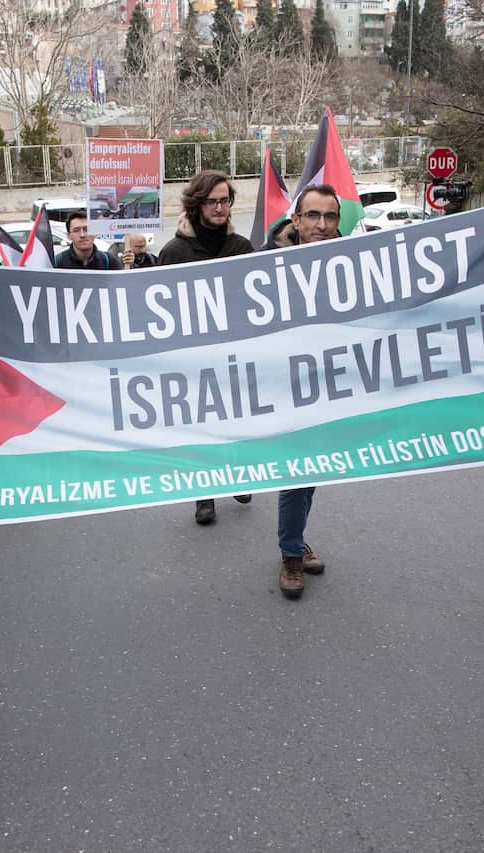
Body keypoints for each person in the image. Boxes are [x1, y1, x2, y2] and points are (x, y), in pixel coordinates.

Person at [157, 170, 254, 525]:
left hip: (234, 353)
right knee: (202, 425)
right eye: (213, 201)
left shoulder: (241, 248)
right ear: (197, 205)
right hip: (192, 357)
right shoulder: (174, 252)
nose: (220, 208)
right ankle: (204, 495)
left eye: (225, 200)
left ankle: (238, 475)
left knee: (236, 419)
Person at [264, 184, 341, 599]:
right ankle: (291, 552)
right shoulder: (265, 262)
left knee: (311, 471)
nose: (321, 224)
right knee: (297, 468)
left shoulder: (356, 261)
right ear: (295, 220)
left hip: (331, 382)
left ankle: (295, 540)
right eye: (313, 215)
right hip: (283, 383)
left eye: (330, 216)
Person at [54, 211, 122, 270]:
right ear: (69, 236)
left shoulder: (109, 261)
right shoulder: (57, 263)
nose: (82, 235)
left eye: (87, 229)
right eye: (76, 230)